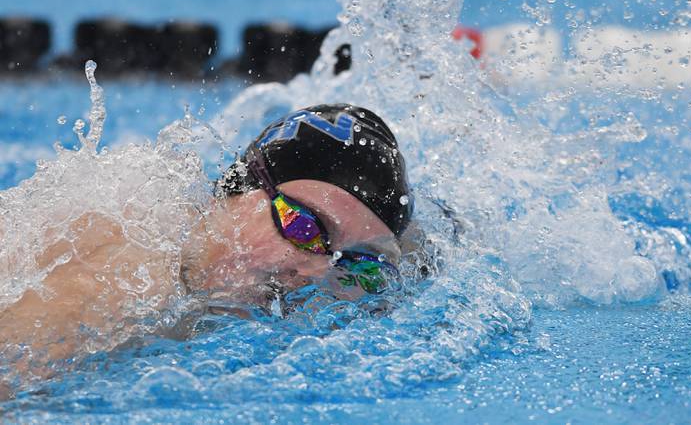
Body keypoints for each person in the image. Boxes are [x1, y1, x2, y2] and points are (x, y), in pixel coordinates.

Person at [0, 104, 413, 396]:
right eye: (303, 227)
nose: (315, 273)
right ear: (236, 190)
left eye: (357, 264)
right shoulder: (124, 271)